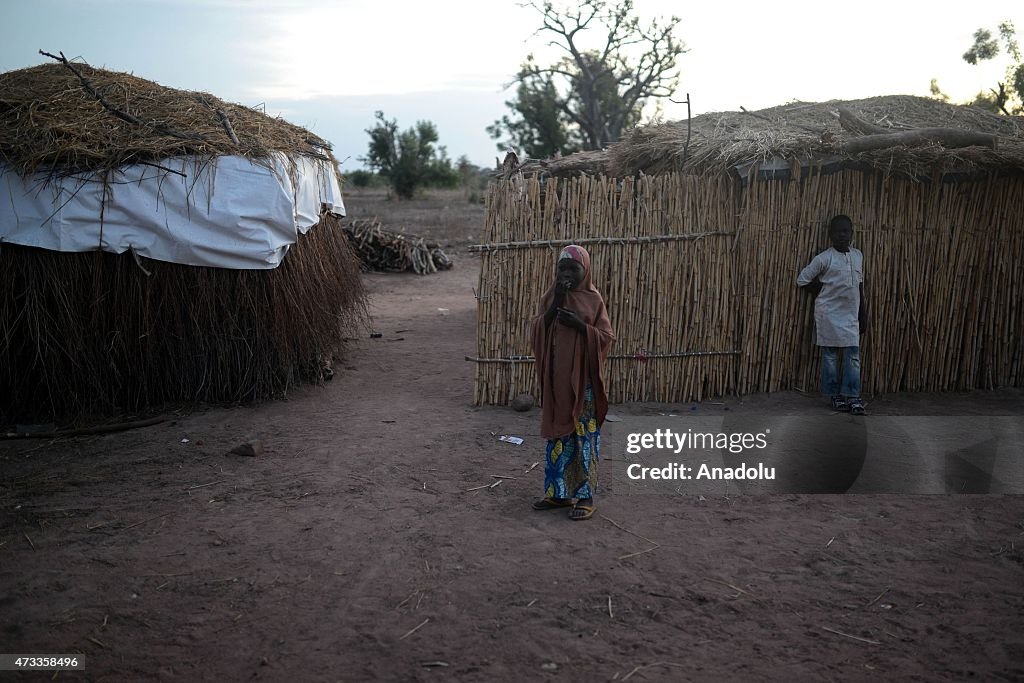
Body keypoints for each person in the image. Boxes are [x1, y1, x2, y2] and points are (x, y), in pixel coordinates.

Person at [530, 245, 614, 520]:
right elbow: (539, 328)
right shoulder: (552, 295)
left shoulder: (593, 299)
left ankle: (586, 496)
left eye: (572, 269)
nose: (566, 274)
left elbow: (605, 337)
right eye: (561, 268)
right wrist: (557, 301)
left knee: (583, 436)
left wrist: (581, 326)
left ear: (585, 270)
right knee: (559, 436)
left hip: (583, 384)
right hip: (557, 380)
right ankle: (559, 493)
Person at [797, 214, 870, 414]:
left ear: (852, 233)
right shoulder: (824, 258)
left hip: (851, 316)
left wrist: (862, 313)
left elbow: (859, 286)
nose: (842, 235)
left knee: (853, 356)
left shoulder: (857, 256)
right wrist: (821, 290)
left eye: (846, 231)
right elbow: (802, 279)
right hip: (828, 315)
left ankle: (853, 396)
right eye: (838, 231)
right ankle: (834, 396)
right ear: (830, 234)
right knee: (830, 356)